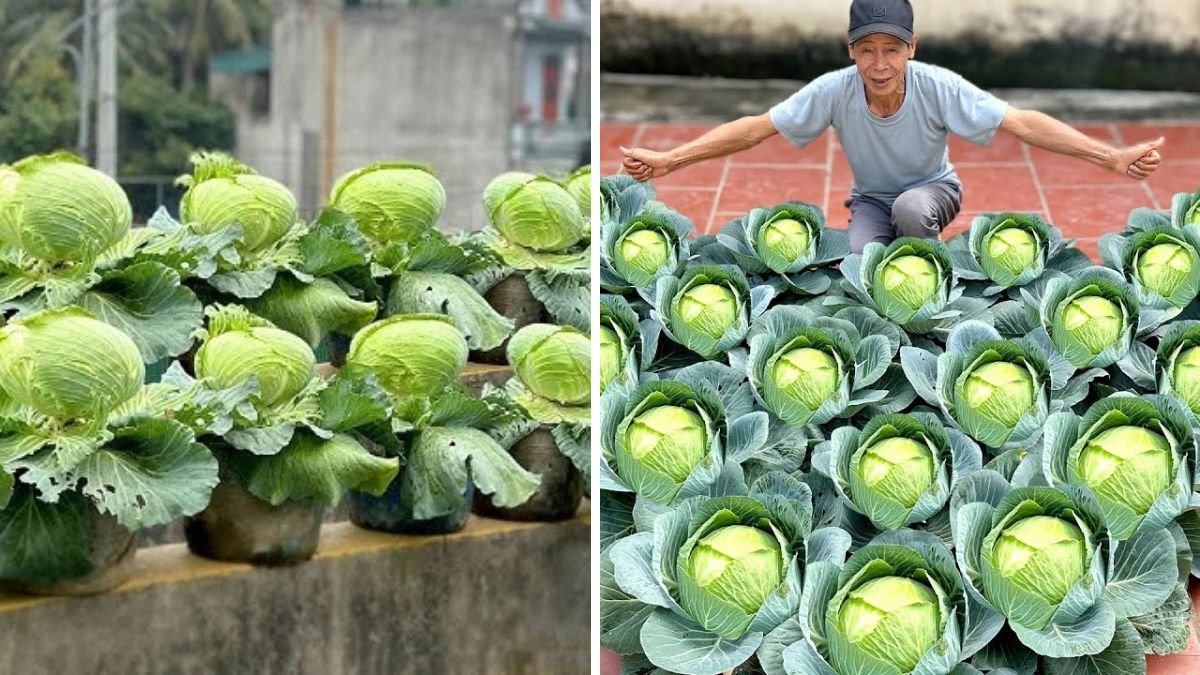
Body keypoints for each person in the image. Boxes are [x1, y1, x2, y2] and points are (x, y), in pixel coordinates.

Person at [620, 0, 1164, 253]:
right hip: (872, 202)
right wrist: (672, 161)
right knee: (862, 260)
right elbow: (755, 129)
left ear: (911, 49)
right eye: (866, 50)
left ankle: (930, 278)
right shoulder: (835, 89)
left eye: (892, 50)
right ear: (850, 50)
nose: (879, 64)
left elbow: (1021, 123)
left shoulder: (938, 86)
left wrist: (1108, 158)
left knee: (912, 214)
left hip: (933, 192)